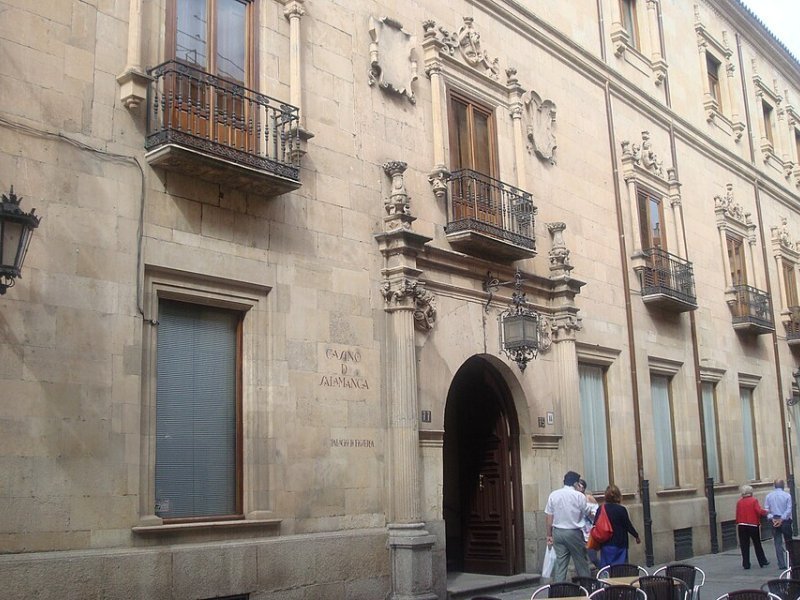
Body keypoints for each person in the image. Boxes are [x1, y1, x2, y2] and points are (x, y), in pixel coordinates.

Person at [545, 471, 593, 581]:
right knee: (581, 562)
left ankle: (559, 588)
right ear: (576, 483)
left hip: (558, 532)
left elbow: (549, 516)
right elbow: (587, 512)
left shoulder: (553, 495)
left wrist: (549, 534)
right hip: (573, 532)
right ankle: (586, 586)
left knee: (560, 564)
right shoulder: (579, 496)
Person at [598, 484, 641, 567]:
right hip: (620, 544)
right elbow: (628, 525)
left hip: (606, 543)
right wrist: (636, 536)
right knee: (620, 568)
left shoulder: (601, 509)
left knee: (606, 568)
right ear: (618, 496)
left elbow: (595, 524)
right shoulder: (621, 509)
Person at [735, 484, 769, 570]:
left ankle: (746, 564)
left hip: (742, 525)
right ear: (750, 492)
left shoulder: (739, 502)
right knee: (757, 544)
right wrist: (766, 512)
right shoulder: (754, 500)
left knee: (744, 545)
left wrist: (738, 522)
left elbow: (737, 513)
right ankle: (762, 561)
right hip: (752, 525)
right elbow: (758, 511)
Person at [765, 479, 793, 570]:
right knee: (789, 542)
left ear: (774, 485)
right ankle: (791, 561)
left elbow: (767, 510)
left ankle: (781, 563)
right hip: (785, 520)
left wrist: (772, 518)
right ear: (783, 485)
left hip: (774, 519)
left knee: (777, 542)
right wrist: (782, 519)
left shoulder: (769, 496)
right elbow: (789, 510)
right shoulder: (787, 495)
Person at [577, 478, 600, 570]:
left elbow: (596, 515)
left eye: (580, 486)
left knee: (593, 557)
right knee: (581, 559)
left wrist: (588, 512)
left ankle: (603, 570)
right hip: (579, 532)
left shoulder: (589, 498)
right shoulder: (574, 498)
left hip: (589, 532)